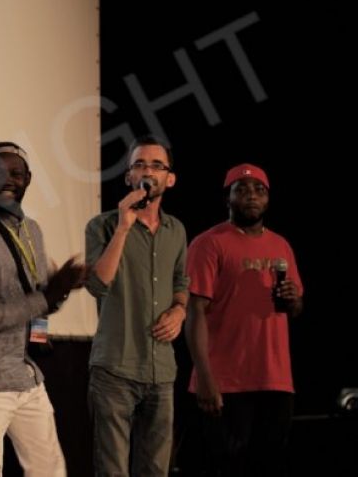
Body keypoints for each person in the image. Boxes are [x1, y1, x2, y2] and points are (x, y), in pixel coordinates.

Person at [0, 141, 86, 476]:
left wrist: (56, 298)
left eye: (16, 173)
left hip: (26, 375)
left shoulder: (32, 230)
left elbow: (38, 299)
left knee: (50, 470)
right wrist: (47, 297)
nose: (7, 180)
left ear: (28, 179)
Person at [185, 163, 303, 477]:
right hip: (226, 382)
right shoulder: (209, 243)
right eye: (243, 189)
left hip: (275, 379)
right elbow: (194, 312)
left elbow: (295, 309)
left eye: (259, 190)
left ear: (268, 199)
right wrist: (205, 378)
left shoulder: (281, 245)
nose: (252, 196)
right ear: (228, 198)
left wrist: (293, 299)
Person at [85, 134, 190, 476]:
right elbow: (97, 285)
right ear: (129, 176)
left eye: (157, 165)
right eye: (140, 165)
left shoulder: (176, 230)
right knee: (112, 469)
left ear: (170, 179)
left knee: (156, 469)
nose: (148, 171)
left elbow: (181, 283)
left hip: (161, 370)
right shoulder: (102, 226)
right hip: (115, 369)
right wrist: (123, 228)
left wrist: (179, 310)